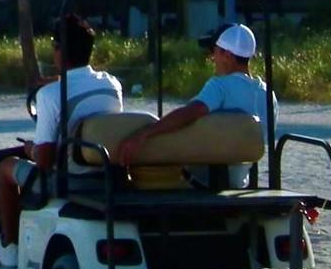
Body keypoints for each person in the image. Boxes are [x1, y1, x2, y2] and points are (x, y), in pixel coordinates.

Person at [0, 14, 123, 269]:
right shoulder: (112, 84)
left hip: (69, 177)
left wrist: (30, 149)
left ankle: (9, 247)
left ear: (60, 51)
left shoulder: (50, 96)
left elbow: (44, 160)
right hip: (106, 171)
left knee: (5, 166)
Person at [115, 23, 274, 188]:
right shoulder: (268, 94)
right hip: (241, 181)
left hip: (204, 178)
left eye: (213, 51)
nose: (211, 58)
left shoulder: (219, 86)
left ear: (227, 55)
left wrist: (143, 134)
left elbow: (189, 114)